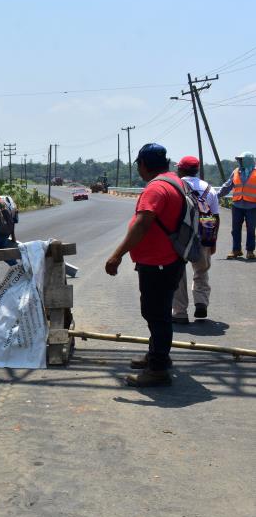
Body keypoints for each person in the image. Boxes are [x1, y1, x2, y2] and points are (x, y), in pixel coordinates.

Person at [105, 143, 186, 387]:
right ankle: (156, 355)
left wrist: (117, 255)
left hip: (159, 262)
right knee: (157, 312)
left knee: (157, 315)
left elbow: (142, 225)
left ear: (142, 164)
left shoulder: (155, 188)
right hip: (169, 259)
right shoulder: (174, 181)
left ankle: (158, 369)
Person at [172, 156, 219, 323]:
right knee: (201, 271)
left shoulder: (177, 185)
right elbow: (215, 217)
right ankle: (201, 303)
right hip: (204, 233)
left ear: (182, 169)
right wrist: (212, 241)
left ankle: (180, 312)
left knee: (178, 273)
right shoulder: (209, 189)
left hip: (181, 234)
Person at [218, 151, 256, 259]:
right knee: (235, 229)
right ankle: (236, 250)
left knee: (251, 229)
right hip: (237, 205)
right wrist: (216, 195)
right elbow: (227, 186)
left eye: (242, 159)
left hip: (252, 206)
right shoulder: (236, 171)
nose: (239, 161)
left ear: (248, 160)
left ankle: (250, 251)